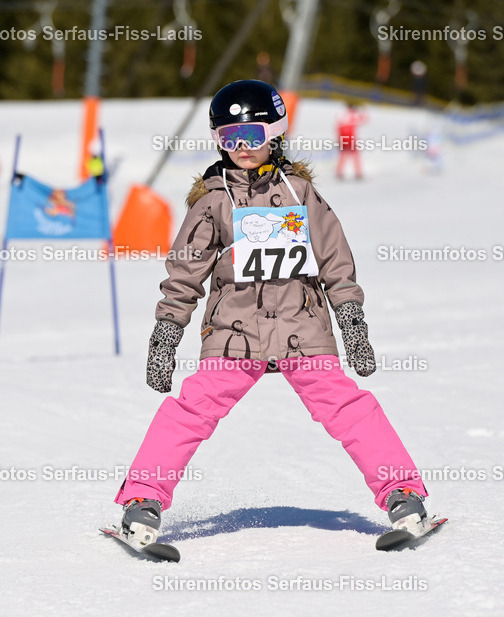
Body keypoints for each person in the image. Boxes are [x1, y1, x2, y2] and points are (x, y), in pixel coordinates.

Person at [112, 80, 431, 548]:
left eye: (253, 136)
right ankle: (143, 500)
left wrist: (353, 323)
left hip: (303, 329)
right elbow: (184, 275)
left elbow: (336, 263)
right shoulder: (212, 202)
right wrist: (166, 333)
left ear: (275, 134)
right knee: (190, 411)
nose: (242, 148)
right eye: (229, 138)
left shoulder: (300, 193)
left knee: (349, 407)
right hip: (234, 333)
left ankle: (402, 494)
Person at [336, 102, 368, 180]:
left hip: (344, 138)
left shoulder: (342, 115)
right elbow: (364, 120)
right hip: (351, 139)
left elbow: (338, 127)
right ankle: (358, 173)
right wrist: (364, 110)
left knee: (343, 156)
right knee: (355, 156)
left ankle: (339, 173)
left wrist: (339, 139)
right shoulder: (354, 115)